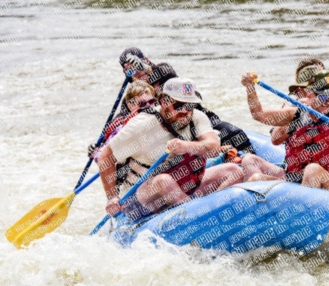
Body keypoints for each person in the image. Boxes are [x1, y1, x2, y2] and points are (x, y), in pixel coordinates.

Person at [97, 78, 243, 220]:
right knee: (164, 181)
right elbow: (105, 156)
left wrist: (186, 146)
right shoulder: (140, 126)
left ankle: (212, 213)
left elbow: (212, 145)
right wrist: (112, 197)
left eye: (190, 105)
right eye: (179, 105)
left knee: (233, 171)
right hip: (141, 198)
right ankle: (194, 218)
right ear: (163, 101)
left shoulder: (197, 117)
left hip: (184, 186)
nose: (185, 111)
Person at [240, 69, 329, 199]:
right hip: (297, 183)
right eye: (323, 97)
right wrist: (250, 88)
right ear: (309, 94)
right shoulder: (295, 114)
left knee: (312, 170)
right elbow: (259, 115)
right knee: (255, 179)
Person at [118, 47, 256, 154]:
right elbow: (119, 121)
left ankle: (254, 161)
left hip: (195, 118)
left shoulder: (163, 71)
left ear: (146, 60)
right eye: (128, 69)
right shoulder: (131, 98)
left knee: (234, 132)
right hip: (170, 132)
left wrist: (145, 69)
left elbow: (165, 72)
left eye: (136, 65)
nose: (135, 71)